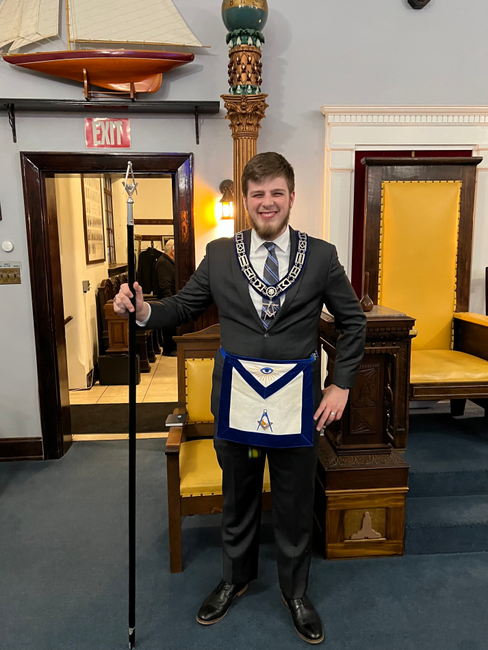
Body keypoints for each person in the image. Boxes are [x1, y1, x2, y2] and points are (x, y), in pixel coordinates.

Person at [114, 152, 366, 645]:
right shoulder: (220, 255)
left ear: (292, 197)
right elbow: (183, 307)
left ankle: (295, 591)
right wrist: (144, 309)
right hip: (239, 401)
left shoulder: (320, 256)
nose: (267, 202)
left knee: (294, 502)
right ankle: (236, 578)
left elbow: (353, 322)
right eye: (257, 195)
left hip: (297, 406)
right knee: (240, 495)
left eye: (276, 192)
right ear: (246, 203)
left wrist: (341, 383)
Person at [154, 239, 177, 356]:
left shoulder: (168, 261)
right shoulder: (164, 262)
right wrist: (170, 302)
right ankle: (169, 349)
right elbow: (164, 285)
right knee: (169, 325)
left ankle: (173, 347)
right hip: (167, 299)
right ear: (173, 251)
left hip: (171, 298)